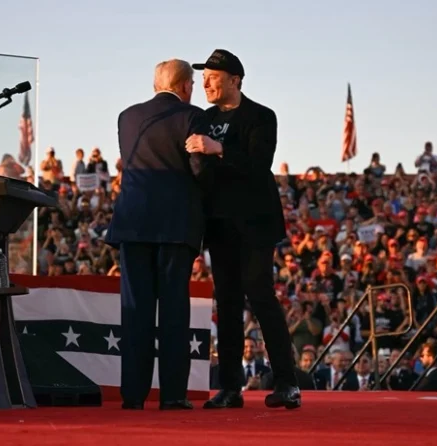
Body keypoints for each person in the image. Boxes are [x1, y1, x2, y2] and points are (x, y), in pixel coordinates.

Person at [186, 49, 300, 409]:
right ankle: (231, 387)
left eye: (213, 77)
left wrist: (218, 148)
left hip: (254, 223)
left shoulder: (261, 116)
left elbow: (258, 165)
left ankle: (287, 382)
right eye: (203, 78)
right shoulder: (203, 118)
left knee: (260, 294)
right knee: (228, 302)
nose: (206, 83)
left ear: (234, 80)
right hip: (219, 223)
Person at [105, 59, 213, 411]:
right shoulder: (193, 117)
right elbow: (199, 169)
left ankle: (133, 395)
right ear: (184, 86)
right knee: (173, 310)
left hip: (133, 223)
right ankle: (173, 395)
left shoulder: (127, 117)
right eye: (192, 84)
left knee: (135, 310)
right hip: (174, 226)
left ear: (156, 85)